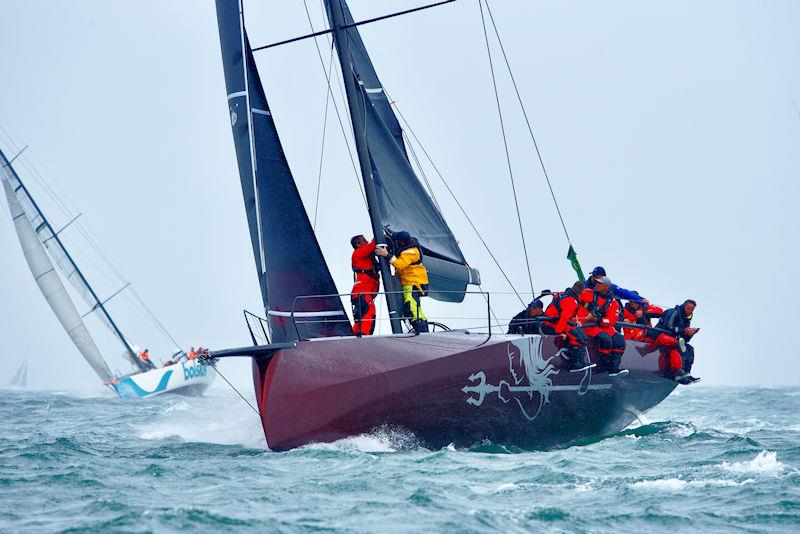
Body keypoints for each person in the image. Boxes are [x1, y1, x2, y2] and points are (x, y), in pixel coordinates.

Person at [375, 230, 429, 334]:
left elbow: (400, 264)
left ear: (401, 242)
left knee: (411, 307)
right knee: (408, 308)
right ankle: (418, 328)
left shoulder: (410, 252)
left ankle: (422, 330)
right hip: (407, 282)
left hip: (414, 283)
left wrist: (387, 254)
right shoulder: (406, 248)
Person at [577, 276, 628, 376]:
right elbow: (571, 298)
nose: (596, 285)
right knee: (606, 339)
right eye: (596, 283)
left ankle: (614, 368)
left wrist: (598, 320)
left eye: (600, 283)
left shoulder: (612, 302)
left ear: (606, 286)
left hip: (600, 325)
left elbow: (612, 320)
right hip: (586, 325)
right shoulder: (586, 293)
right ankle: (602, 366)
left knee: (620, 340)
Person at [541, 281, 592, 370]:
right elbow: (564, 317)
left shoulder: (563, 294)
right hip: (550, 324)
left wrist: (573, 323)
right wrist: (559, 332)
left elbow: (563, 312)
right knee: (576, 337)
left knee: (582, 335)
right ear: (580, 293)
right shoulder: (572, 302)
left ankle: (582, 361)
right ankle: (573, 364)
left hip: (552, 321)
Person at [656, 300, 700, 382]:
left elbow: (684, 338)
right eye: (688, 308)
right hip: (660, 336)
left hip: (675, 339)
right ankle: (677, 372)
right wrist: (683, 330)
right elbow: (667, 327)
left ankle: (686, 373)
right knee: (676, 346)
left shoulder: (687, 319)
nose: (689, 311)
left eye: (692, 310)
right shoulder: (674, 312)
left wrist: (690, 333)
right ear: (684, 306)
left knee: (690, 349)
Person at [350, 235, 380, 337]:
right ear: (358, 244)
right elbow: (372, 245)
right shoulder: (358, 253)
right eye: (364, 240)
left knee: (361, 317)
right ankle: (365, 335)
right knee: (369, 311)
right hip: (362, 292)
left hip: (362, 293)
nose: (367, 241)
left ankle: (354, 335)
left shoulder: (367, 257)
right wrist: (381, 234)